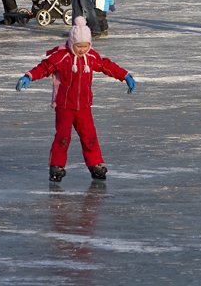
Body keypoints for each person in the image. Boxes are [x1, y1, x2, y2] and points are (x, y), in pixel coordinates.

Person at [15, 16, 136, 182]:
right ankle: (56, 166)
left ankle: (95, 164)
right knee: (63, 137)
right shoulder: (62, 57)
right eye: (79, 46)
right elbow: (44, 68)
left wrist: (125, 76)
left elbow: (107, 66)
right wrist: (28, 76)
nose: (82, 49)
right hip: (64, 106)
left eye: (86, 46)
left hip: (84, 107)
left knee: (90, 136)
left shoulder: (91, 57)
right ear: (72, 42)